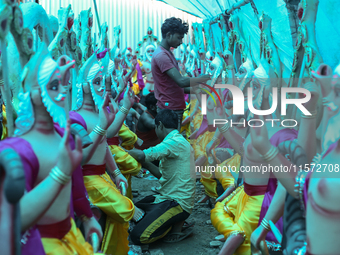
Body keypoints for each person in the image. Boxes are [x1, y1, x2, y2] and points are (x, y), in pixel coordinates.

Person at [128, 109, 196, 244]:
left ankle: (173, 227)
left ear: (160, 125)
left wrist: (120, 151)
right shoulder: (177, 141)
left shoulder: (174, 142)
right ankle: (174, 223)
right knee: (134, 211)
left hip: (177, 202)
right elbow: (161, 175)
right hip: (166, 197)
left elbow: (142, 154)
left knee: (138, 236)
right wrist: (145, 164)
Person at [152, 17, 211, 130]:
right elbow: (181, 81)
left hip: (173, 106)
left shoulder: (167, 53)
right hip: (169, 108)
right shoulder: (162, 56)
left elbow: (173, 86)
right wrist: (205, 78)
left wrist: (199, 89)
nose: (180, 42)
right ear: (169, 35)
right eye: (179, 38)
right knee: (172, 144)